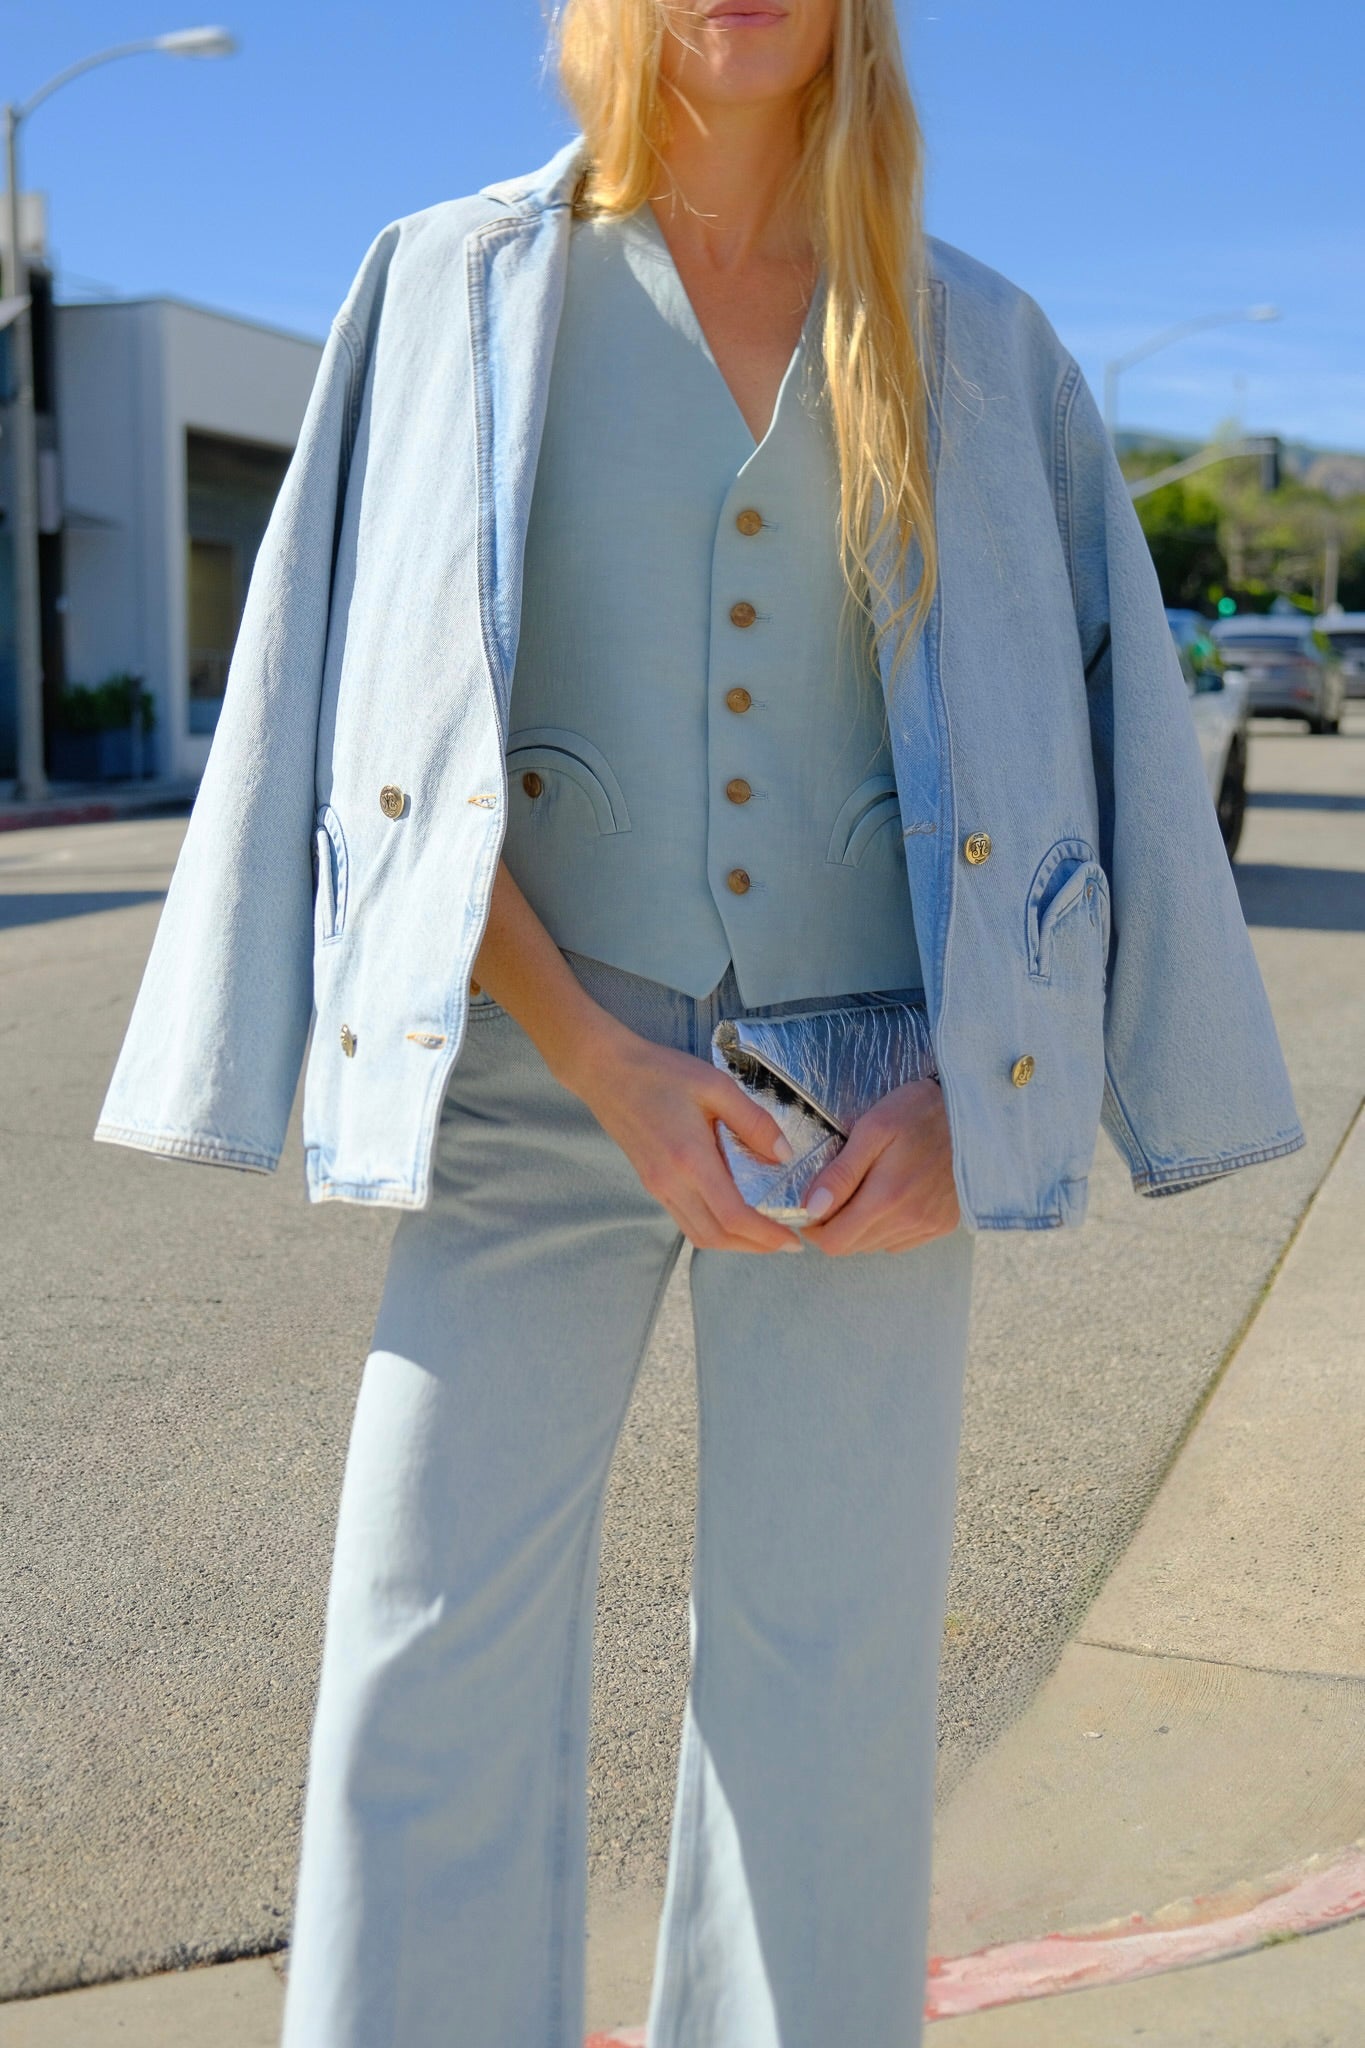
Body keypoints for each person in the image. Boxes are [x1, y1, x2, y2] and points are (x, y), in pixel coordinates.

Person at [93, 2, 1305, 2043]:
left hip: (871, 1106)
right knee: (420, 1635)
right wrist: (600, 1063)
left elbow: (1090, 767)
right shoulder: (449, 287)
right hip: (535, 1065)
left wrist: (967, 1100)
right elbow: (370, 720)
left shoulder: (982, 347)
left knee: (824, 1684)